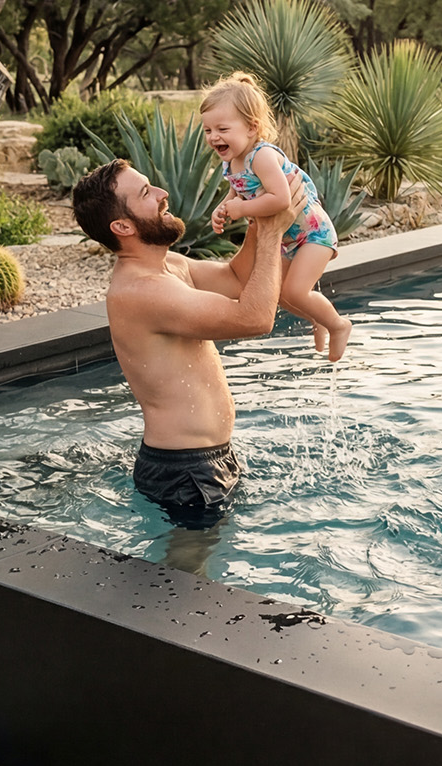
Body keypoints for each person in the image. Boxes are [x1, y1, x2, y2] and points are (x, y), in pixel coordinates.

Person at [71, 158, 308, 532]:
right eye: (147, 193)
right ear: (123, 226)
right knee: (184, 585)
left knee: (201, 578)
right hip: (185, 471)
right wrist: (271, 233)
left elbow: (235, 279)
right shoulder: (142, 291)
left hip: (207, 459)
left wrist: (260, 215)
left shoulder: (170, 267)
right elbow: (255, 318)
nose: (164, 195)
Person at [200, 73, 353, 362]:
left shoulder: (263, 156)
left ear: (251, 127)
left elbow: (281, 199)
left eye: (221, 128)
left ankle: (338, 324)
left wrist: (242, 209)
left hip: (313, 234)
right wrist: (222, 208)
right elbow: (237, 191)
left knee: (295, 291)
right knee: (280, 295)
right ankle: (317, 318)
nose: (213, 137)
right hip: (287, 238)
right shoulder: (233, 161)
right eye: (207, 130)